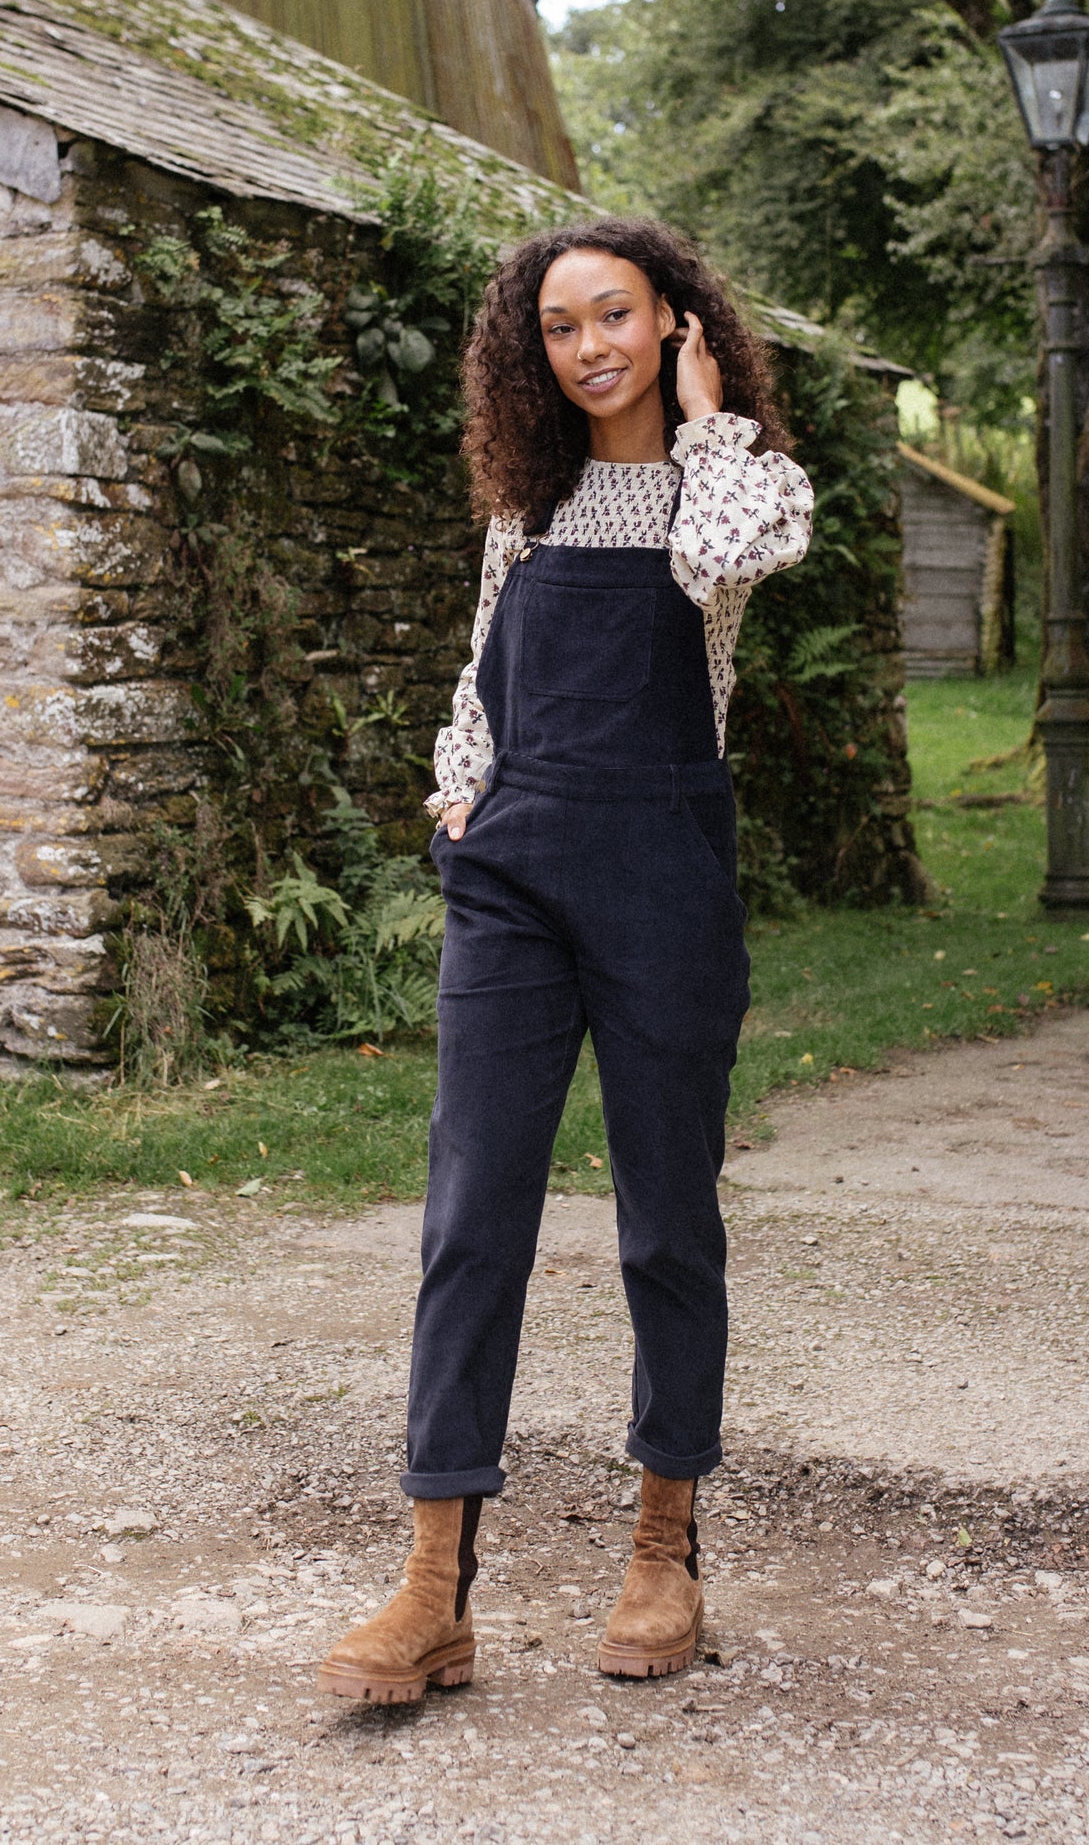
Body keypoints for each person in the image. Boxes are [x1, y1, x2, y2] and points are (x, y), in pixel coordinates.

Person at [319, 216, 814, 1705]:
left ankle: (664, 1549)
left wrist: (713, 427)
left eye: (616, 315)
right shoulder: (525, 507)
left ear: (675, 323)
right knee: (470, 1217)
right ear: (529, 351)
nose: (587, 346)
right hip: (514, 880)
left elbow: (731, 558)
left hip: (664, 876)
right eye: (558, 326)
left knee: (665, 1220)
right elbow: (481, 670)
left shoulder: (741, 488)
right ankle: (430, 1587)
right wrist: (461, 792)